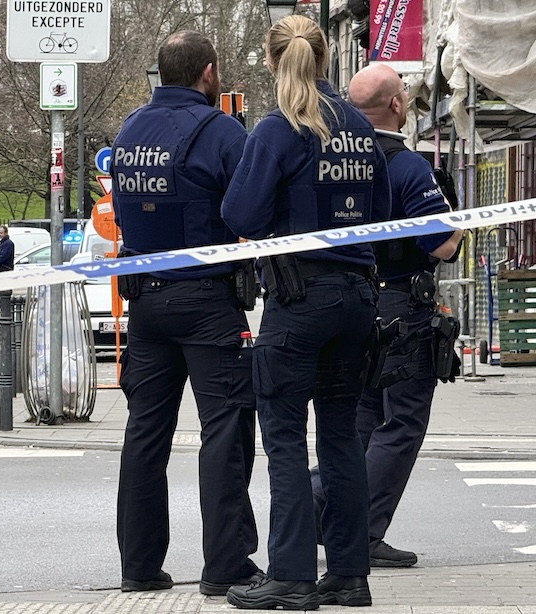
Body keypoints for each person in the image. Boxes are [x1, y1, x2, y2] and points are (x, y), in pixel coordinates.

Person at [220, 15, 392, 610]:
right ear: (325, 60)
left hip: (298, 302)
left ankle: (291, 573)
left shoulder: (277, 129)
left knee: (286, 440)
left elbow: (239, 216)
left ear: (271, 63)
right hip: (357, 298)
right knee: (341, 436)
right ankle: (348, 573)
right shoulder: (358, 126)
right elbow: (387, 211)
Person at [110, 30, 262, 597]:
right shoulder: (222, 131)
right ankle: (226, 565)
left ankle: (139, 566)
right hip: (206, 301)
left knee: (145, 434)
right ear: (208, 72)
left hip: (145, 302)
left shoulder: (128, 132)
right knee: (224, 430)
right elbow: (251, 206)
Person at [310, 63, 463, 569]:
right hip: (402, 303)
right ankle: (360, 530)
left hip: (351, 301)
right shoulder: (407, 166)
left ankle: (318, 506)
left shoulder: (337, 162)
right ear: (397, 105)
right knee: (401, 422)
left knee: (362, 419)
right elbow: (441, 244)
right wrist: (459, 224)